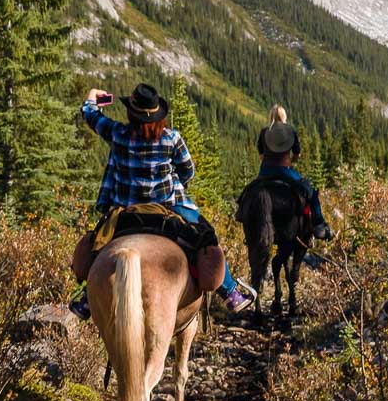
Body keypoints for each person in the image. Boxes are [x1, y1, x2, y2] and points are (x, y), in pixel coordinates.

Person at [70, 83, 256, 319]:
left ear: (131, 114)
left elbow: (91, 115)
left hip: (124, 210)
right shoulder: (171, 138)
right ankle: (230, 293)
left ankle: (87, 297)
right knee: (205, 236)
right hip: (168, 205)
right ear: (158, 115)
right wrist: (173, 182)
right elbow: (188, 170)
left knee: (99, 243)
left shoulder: (117, 133)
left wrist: (93, 98)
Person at [256, 107, 332, 240]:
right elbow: (297, 154)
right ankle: (319, 225)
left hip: (265, 171)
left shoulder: (264, 132)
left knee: (249, 192)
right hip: (285, 171)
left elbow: (261, 155)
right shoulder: (290, 131)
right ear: (284, 116)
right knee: (310, 191)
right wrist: (290, 161)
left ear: (271, 116)